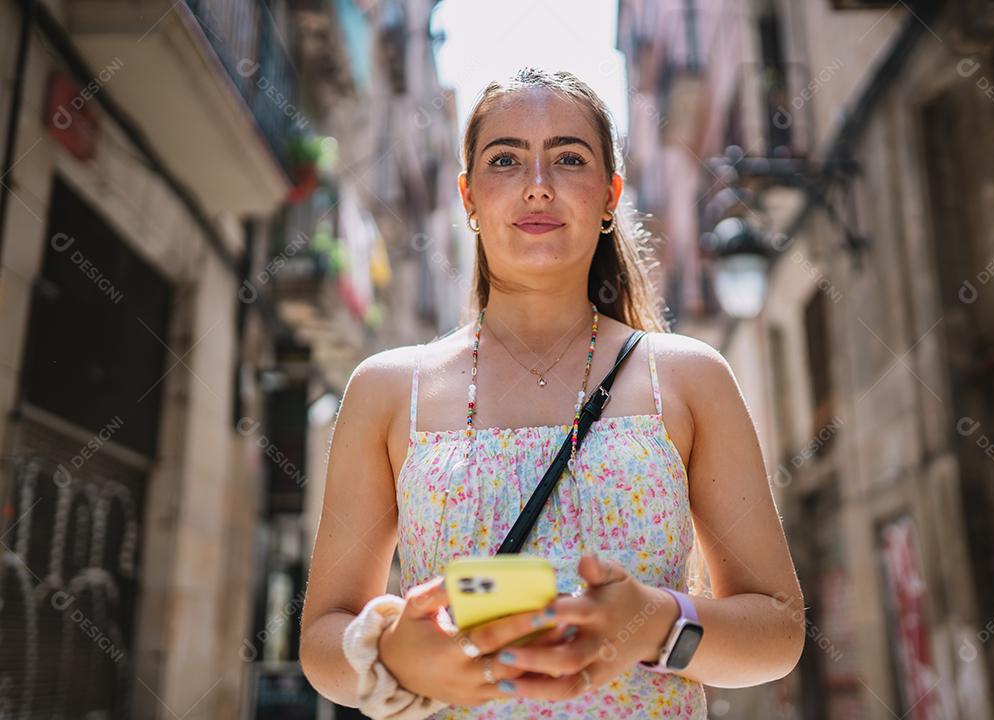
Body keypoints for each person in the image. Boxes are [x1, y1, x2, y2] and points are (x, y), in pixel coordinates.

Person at [299, 68, 805, 718]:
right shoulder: (388, 391)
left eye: (568, 159)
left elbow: (779, 631)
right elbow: (322, 640)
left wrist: (653, 624)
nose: (537, 185)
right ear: (468, 198)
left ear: (610, 196)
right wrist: (395, 656)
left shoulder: (688, 379)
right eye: (505, 160)